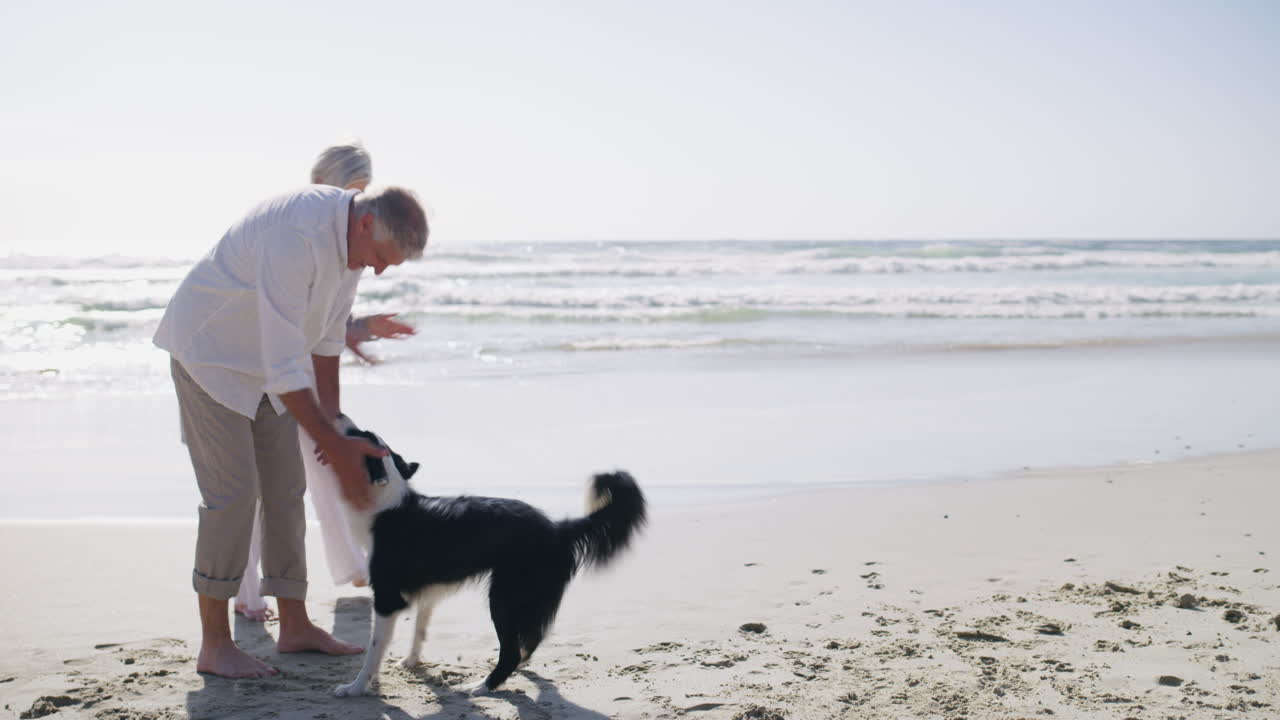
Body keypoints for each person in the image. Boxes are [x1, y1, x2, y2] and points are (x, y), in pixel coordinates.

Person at [154, 183, 429, 678]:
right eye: (381, 257)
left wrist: (336, 426)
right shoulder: (294, 235)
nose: (380, 269)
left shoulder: (351, 250)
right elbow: (286, 363)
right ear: (366, 223)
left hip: (266, 372)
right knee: (234, 497)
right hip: (211, 357)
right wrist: (332, 442)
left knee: (286, 490)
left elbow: (324, 341)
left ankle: (296, 627)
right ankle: (215, 645)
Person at [233, 143, 415, 622]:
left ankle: (350, 564)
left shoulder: (348, 240)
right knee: (261, 484)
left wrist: (359, 330)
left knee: (321, 467)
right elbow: (288, 315)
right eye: (350, 192)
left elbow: (329, 321)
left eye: (362, 193)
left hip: (303, 369)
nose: (358, 205)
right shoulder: (298, 231)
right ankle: (247, 591)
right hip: (265, 367)